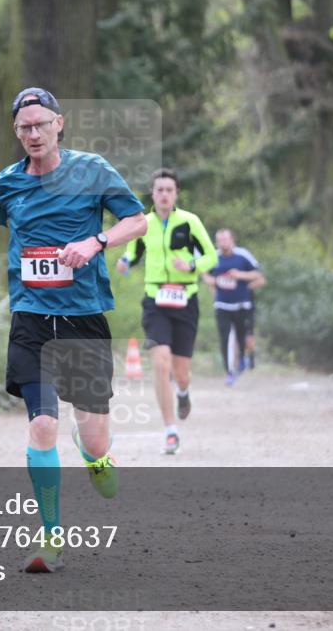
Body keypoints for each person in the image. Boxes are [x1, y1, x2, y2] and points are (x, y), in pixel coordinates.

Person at [0, 87, 147, 573]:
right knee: (43, 424)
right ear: (16, 132)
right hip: (32, 319)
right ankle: (51, 538)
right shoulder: (7, 183)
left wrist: (96, 241)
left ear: (59, 124)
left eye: (42, 124)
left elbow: (137, 220)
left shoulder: (92, 170)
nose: (34, 133)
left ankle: (96, 457)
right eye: (25, 127)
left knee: (94, 436)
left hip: (83, 318)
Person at [115, 169, 217, 455]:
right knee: (160, 363)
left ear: (176, 194)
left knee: (181, 372)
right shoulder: (143, 224)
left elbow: (211, 256)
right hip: (155, 300)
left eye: (169, 190)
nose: (163, 194)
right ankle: (170, 431)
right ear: (153, 193)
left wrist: (193, 266)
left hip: (186, 300)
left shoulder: (190, 222)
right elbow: (133, 254)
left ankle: (183, 393)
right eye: (159, 189)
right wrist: (124, 262)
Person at [202, 229, 265, 385]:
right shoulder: (214, 257)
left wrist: (239, 275)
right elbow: (204, 273)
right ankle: (230, 372)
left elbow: (259, 275)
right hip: (222, 305)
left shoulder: (243, 255)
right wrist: (211, 281)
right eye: (219, 240)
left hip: (242, 305)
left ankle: (246, 357)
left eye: (225, 239)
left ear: (232, 240)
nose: (223, 242)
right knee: (226, 339)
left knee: (244, 337)